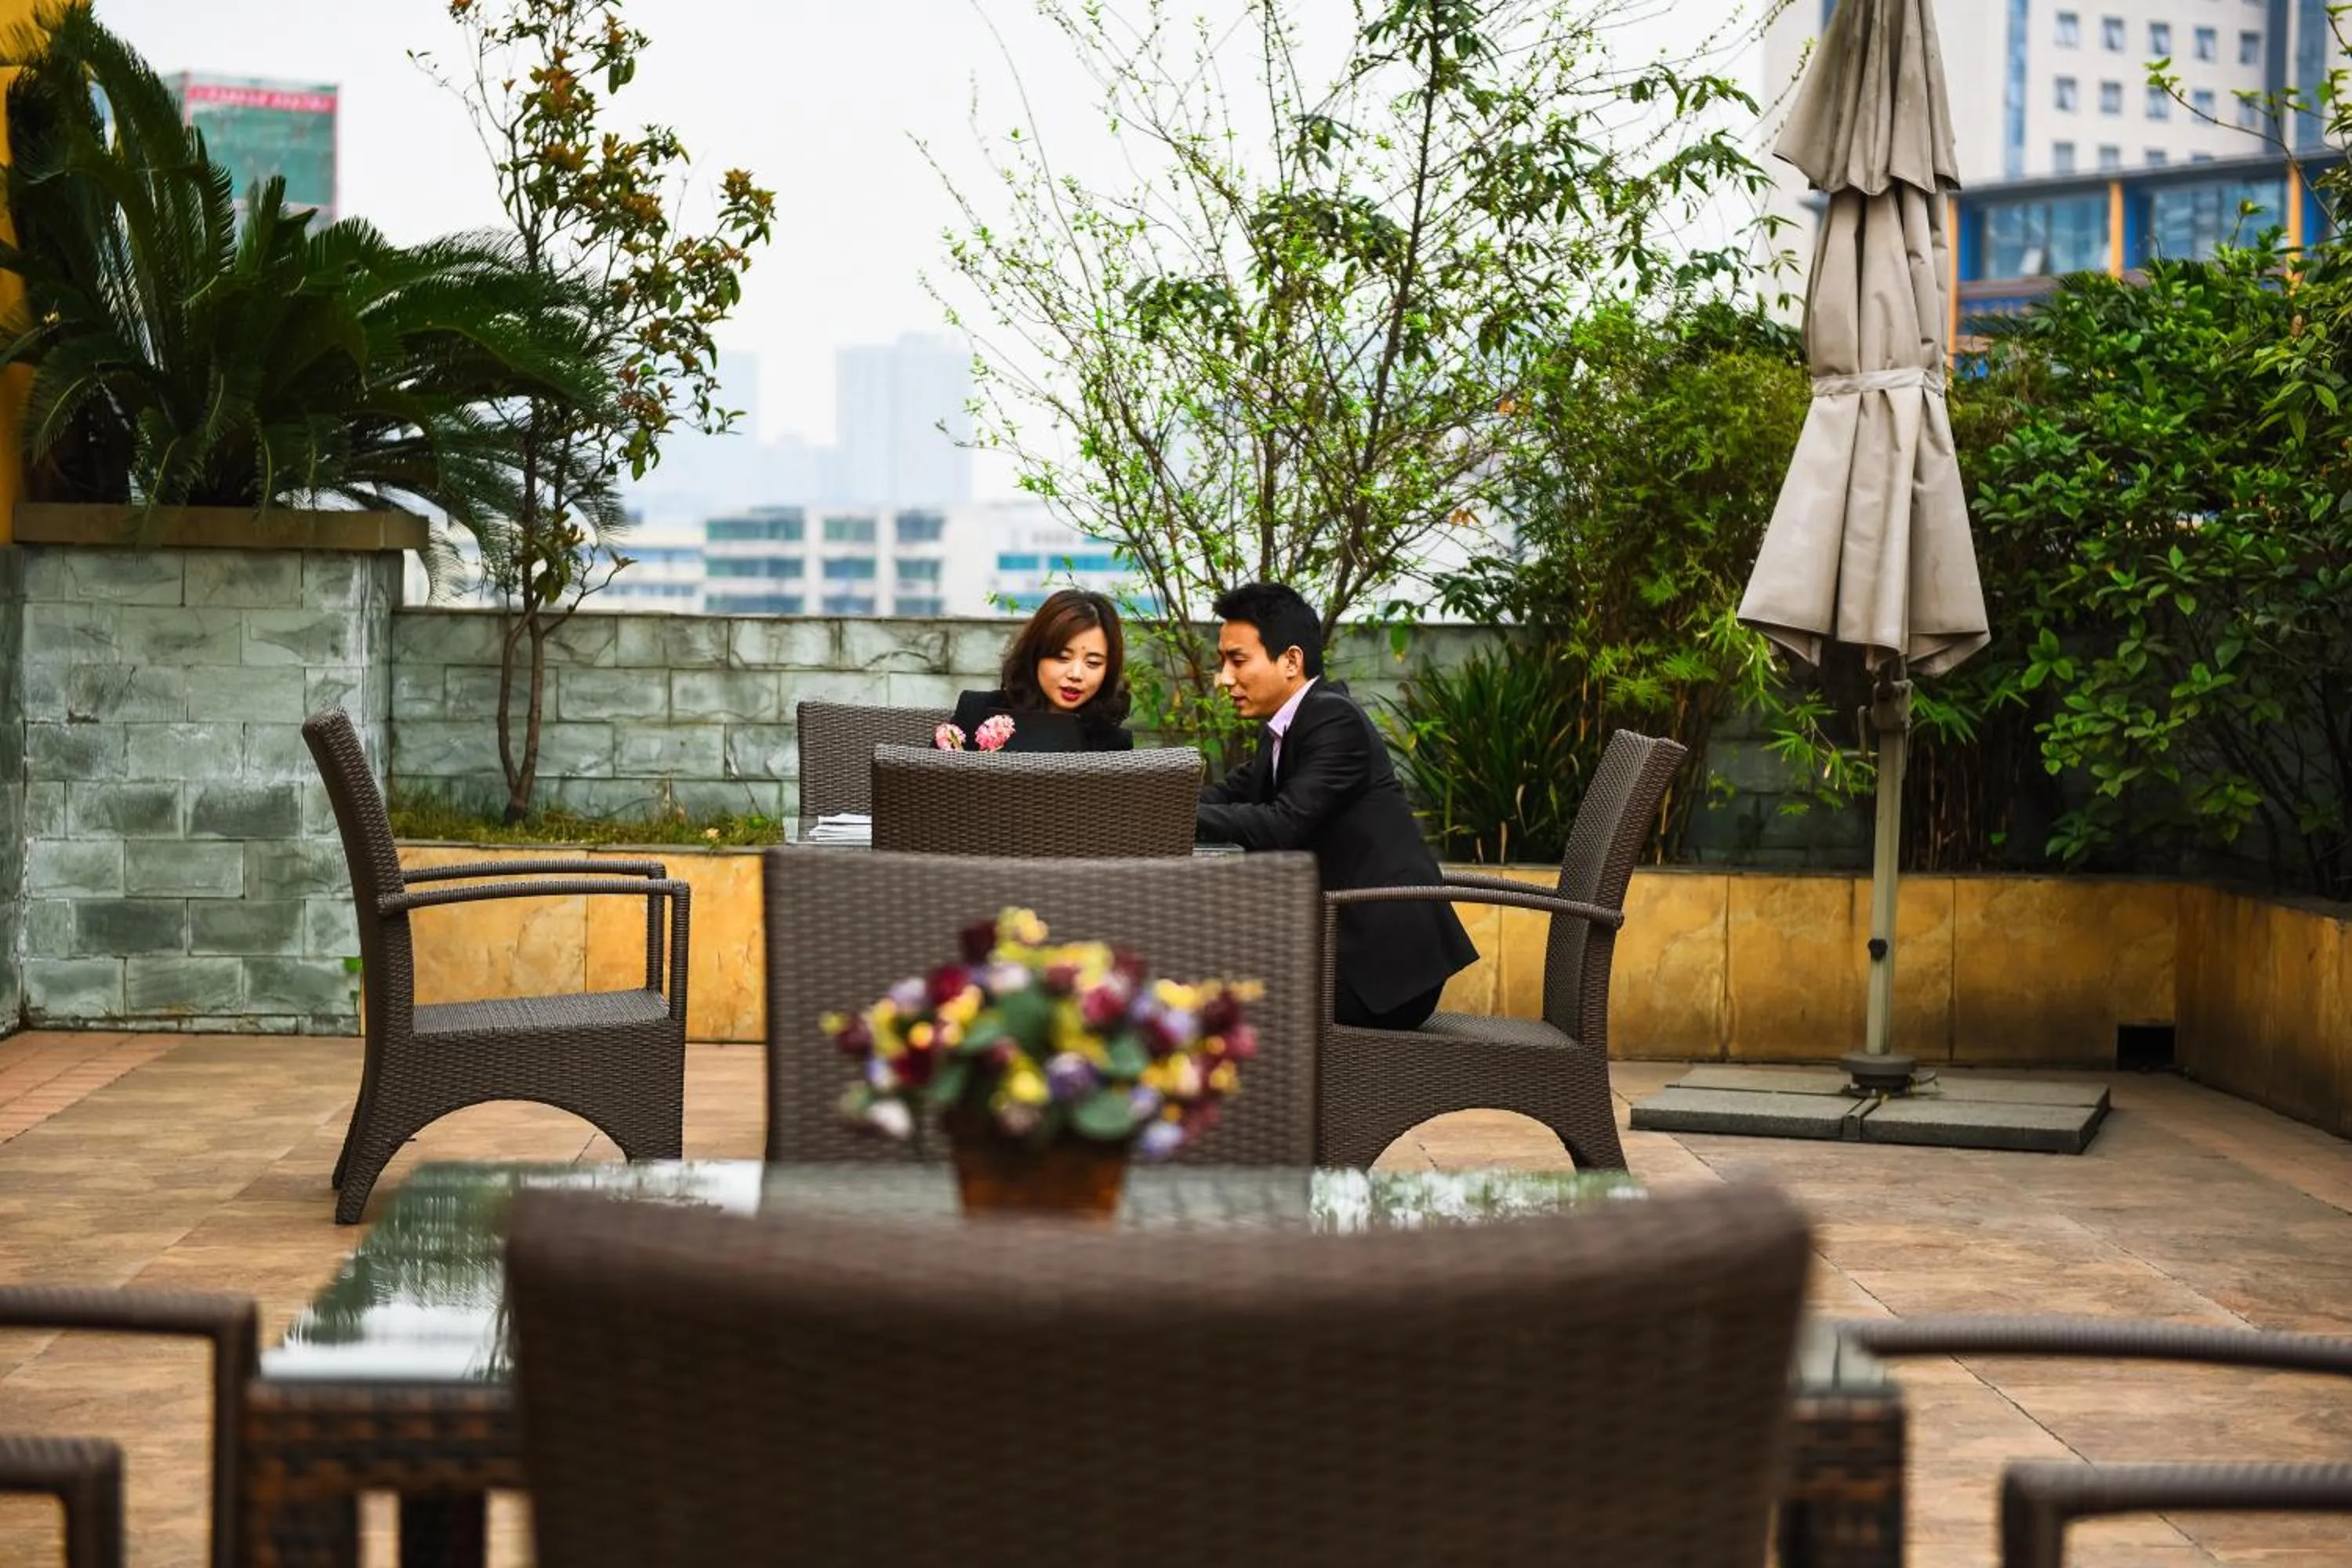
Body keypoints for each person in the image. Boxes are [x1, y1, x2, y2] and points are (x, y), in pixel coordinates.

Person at [1196, 582, 1475, 1030]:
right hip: (1343, 949)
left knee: (1216, 989)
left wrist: (1174, 815)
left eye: (1237, 660)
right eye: (1223, 662)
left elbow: (1282, 823)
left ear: (1291, 660)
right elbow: (1228, 794)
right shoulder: (1288, 729)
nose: (1224, 678)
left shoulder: (1333, 720)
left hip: (1382, 971)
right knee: (1209, 965)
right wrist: (1151, 802)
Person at [951, 588, 1136, 751]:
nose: (1076, 675)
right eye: (1062, 658)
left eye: (1093, 663)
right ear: (1035, 654)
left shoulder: (1112, 744)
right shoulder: (977, 712)